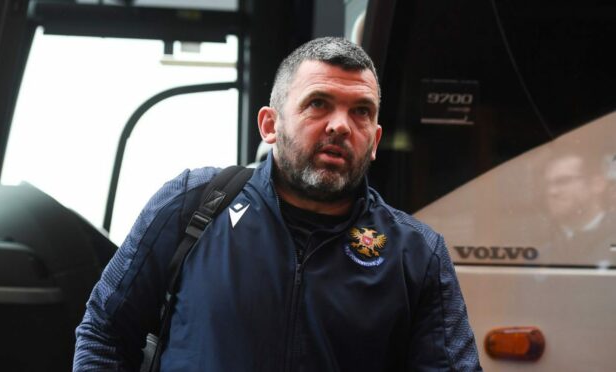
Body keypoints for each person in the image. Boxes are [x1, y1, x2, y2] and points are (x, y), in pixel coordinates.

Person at [74, 37, 481, 371]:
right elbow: (105, 333)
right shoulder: (193, 206)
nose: (340, 124)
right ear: (270, 125)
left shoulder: (416, 254)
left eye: (361, 112)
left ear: (374, 141)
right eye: (318, 103)